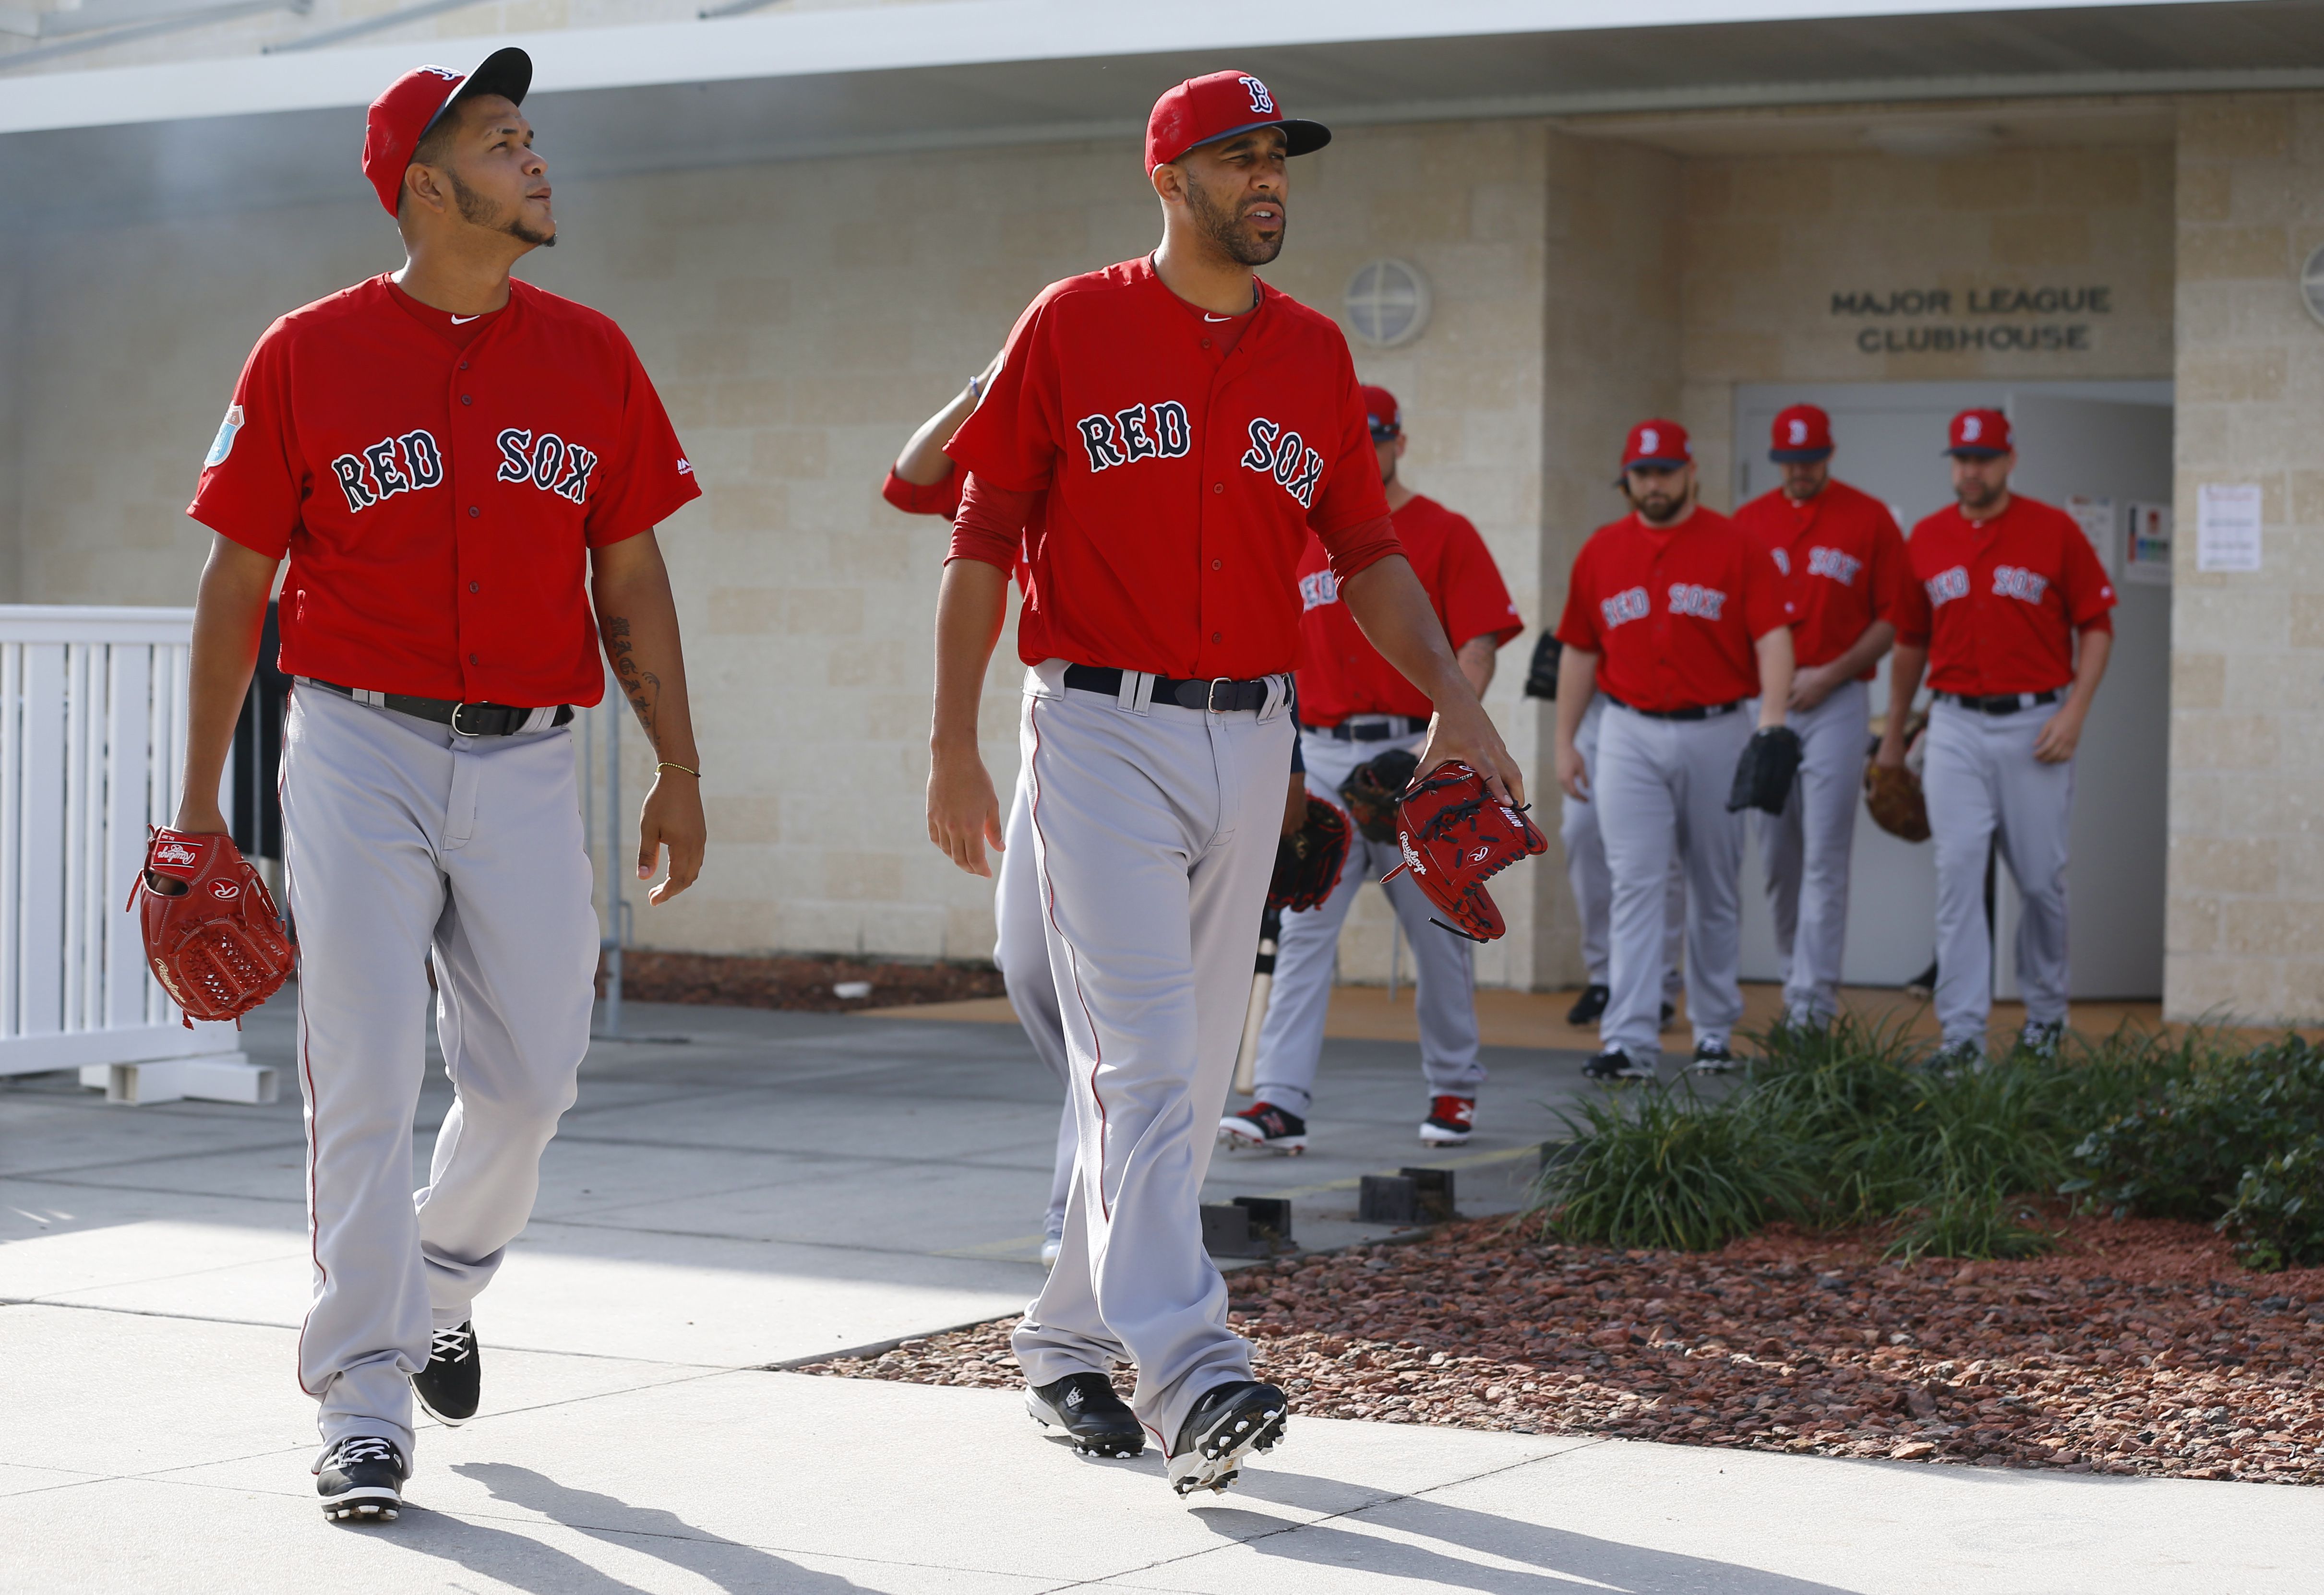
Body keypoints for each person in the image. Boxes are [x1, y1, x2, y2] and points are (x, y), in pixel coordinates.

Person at [925, 71, 1521, 1494]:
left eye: (1279, 157)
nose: (1271, 178)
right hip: (1097, 723)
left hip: (1259, 733)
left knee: (1174, 1080)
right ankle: (1195, 1371)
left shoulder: (1312, 353)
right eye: (1239, 156)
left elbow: (1368, 555)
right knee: (1142, 1059)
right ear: (1170, 179)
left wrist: (1456, 705)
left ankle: (1063, 1341)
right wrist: (950, 738)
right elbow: (982, 530)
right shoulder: (1073, 321)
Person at [180, 50, 705, 1521]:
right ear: (423, 182)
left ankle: (438, 1278)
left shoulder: (592, 353)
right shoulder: (303, 353)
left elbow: (635, 572)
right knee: (359, 1063)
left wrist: (680, 763)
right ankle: (360, 1394)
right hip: (355, 740)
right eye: (499, 139)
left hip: (534, 751)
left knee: (533, 1073)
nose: (534, 157)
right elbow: (235, 586)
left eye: (532, 134)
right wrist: (200, 805)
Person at [1219, 385, 1520, 1152]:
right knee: (1304, 920)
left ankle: (1454, 1088)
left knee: (1440, 924)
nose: (1363, 451)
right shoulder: (1293, 534)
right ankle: (1279, 1100)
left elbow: (1478, 646)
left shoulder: (1442, 532)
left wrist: (1437, 737)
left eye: (1374, 438)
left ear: (1398, 442)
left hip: (1413, 753)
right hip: (1317, 750)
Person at [1552, 420, 1797, 1081]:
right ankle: (1628, 1037)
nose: (1652, 483)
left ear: (1690, 472)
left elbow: (1772, 637)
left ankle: (1714, 1029)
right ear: (1627, 477)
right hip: (1627, 728)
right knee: (1633, 882)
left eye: (1664, 471)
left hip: (1718, 725)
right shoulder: (1601, 550)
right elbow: (1578, 648)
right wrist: (1565, 741)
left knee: (1713, 882)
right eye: (1641, 472)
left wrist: (1771, 723)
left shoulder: (1737, 545)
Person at [1881, 408, 2115, 1065]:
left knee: (2040, 881)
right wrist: (1895, 735)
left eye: (1982, 457)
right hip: (1952, 721)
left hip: (2032, 723)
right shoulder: (1926, 537)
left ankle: (2044, 1019)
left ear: (2008, 460)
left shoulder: (2053, 531)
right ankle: (1960, 1035)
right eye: (1960, 457)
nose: (1970, 469)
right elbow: (1909, 641)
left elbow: (2096, 625)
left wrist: (2074, 712)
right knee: (1956, 875)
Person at [1731, 404, 1909, 1028]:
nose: (1799, 472)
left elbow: (1893, 618)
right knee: (1778, 855)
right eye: (1789, 461)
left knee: (1826, 856)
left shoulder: (1868, 519)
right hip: (1767, 704)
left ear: (1828, 455)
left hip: (1837, 701)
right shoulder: (1748, 522)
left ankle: (1813, 1002)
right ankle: (1792, 980)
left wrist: (1831, 673)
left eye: (1809, 460)